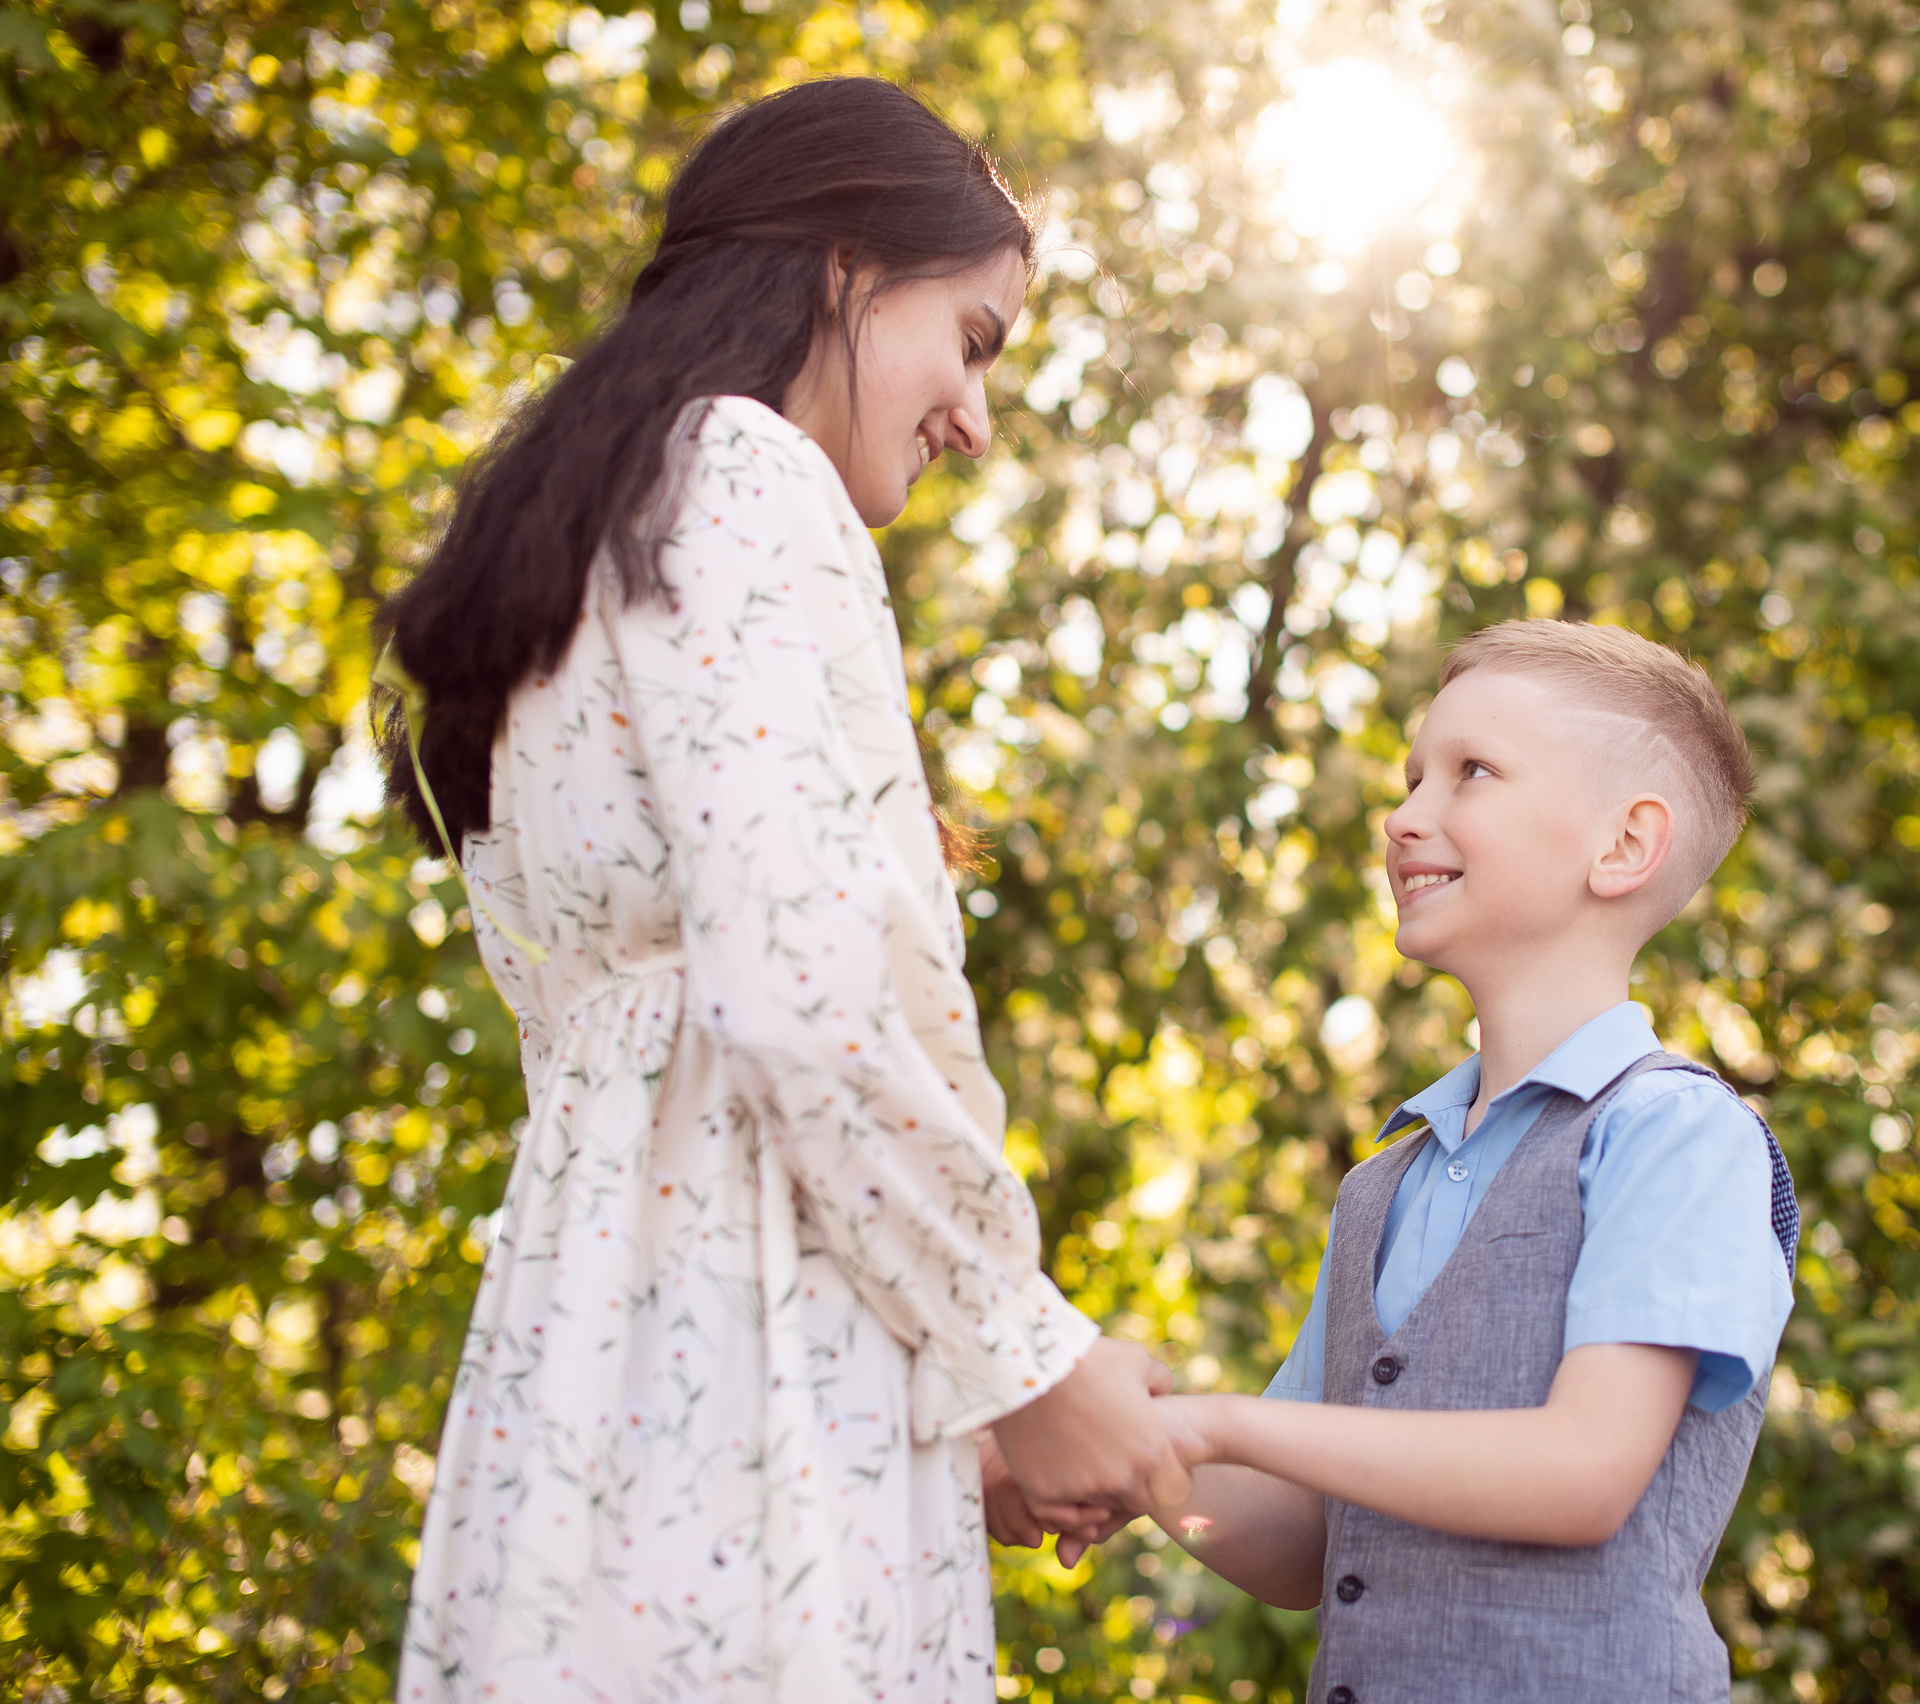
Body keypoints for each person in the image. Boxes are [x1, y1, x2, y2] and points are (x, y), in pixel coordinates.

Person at [376, 79, 1185, 1703]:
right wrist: (1024, 1352)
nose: (974, 411)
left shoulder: (605, 542)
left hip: (610, 1380)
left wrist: (942, 1404)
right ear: (841, 269)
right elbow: (803, 1004)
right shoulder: (746, 471)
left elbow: (659, 1108)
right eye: (974, 337)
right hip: (742, 1400)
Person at [1138, 620, 1799, 1702]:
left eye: (1471, 773)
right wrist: (1144, 1464)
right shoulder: (1379, 1188)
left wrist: (1219, 1421)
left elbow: (1585, 1473)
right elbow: (1302, 1544)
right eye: (1409, 780)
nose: (1404, 817)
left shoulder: (1675, 1136)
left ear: (1623, 848)